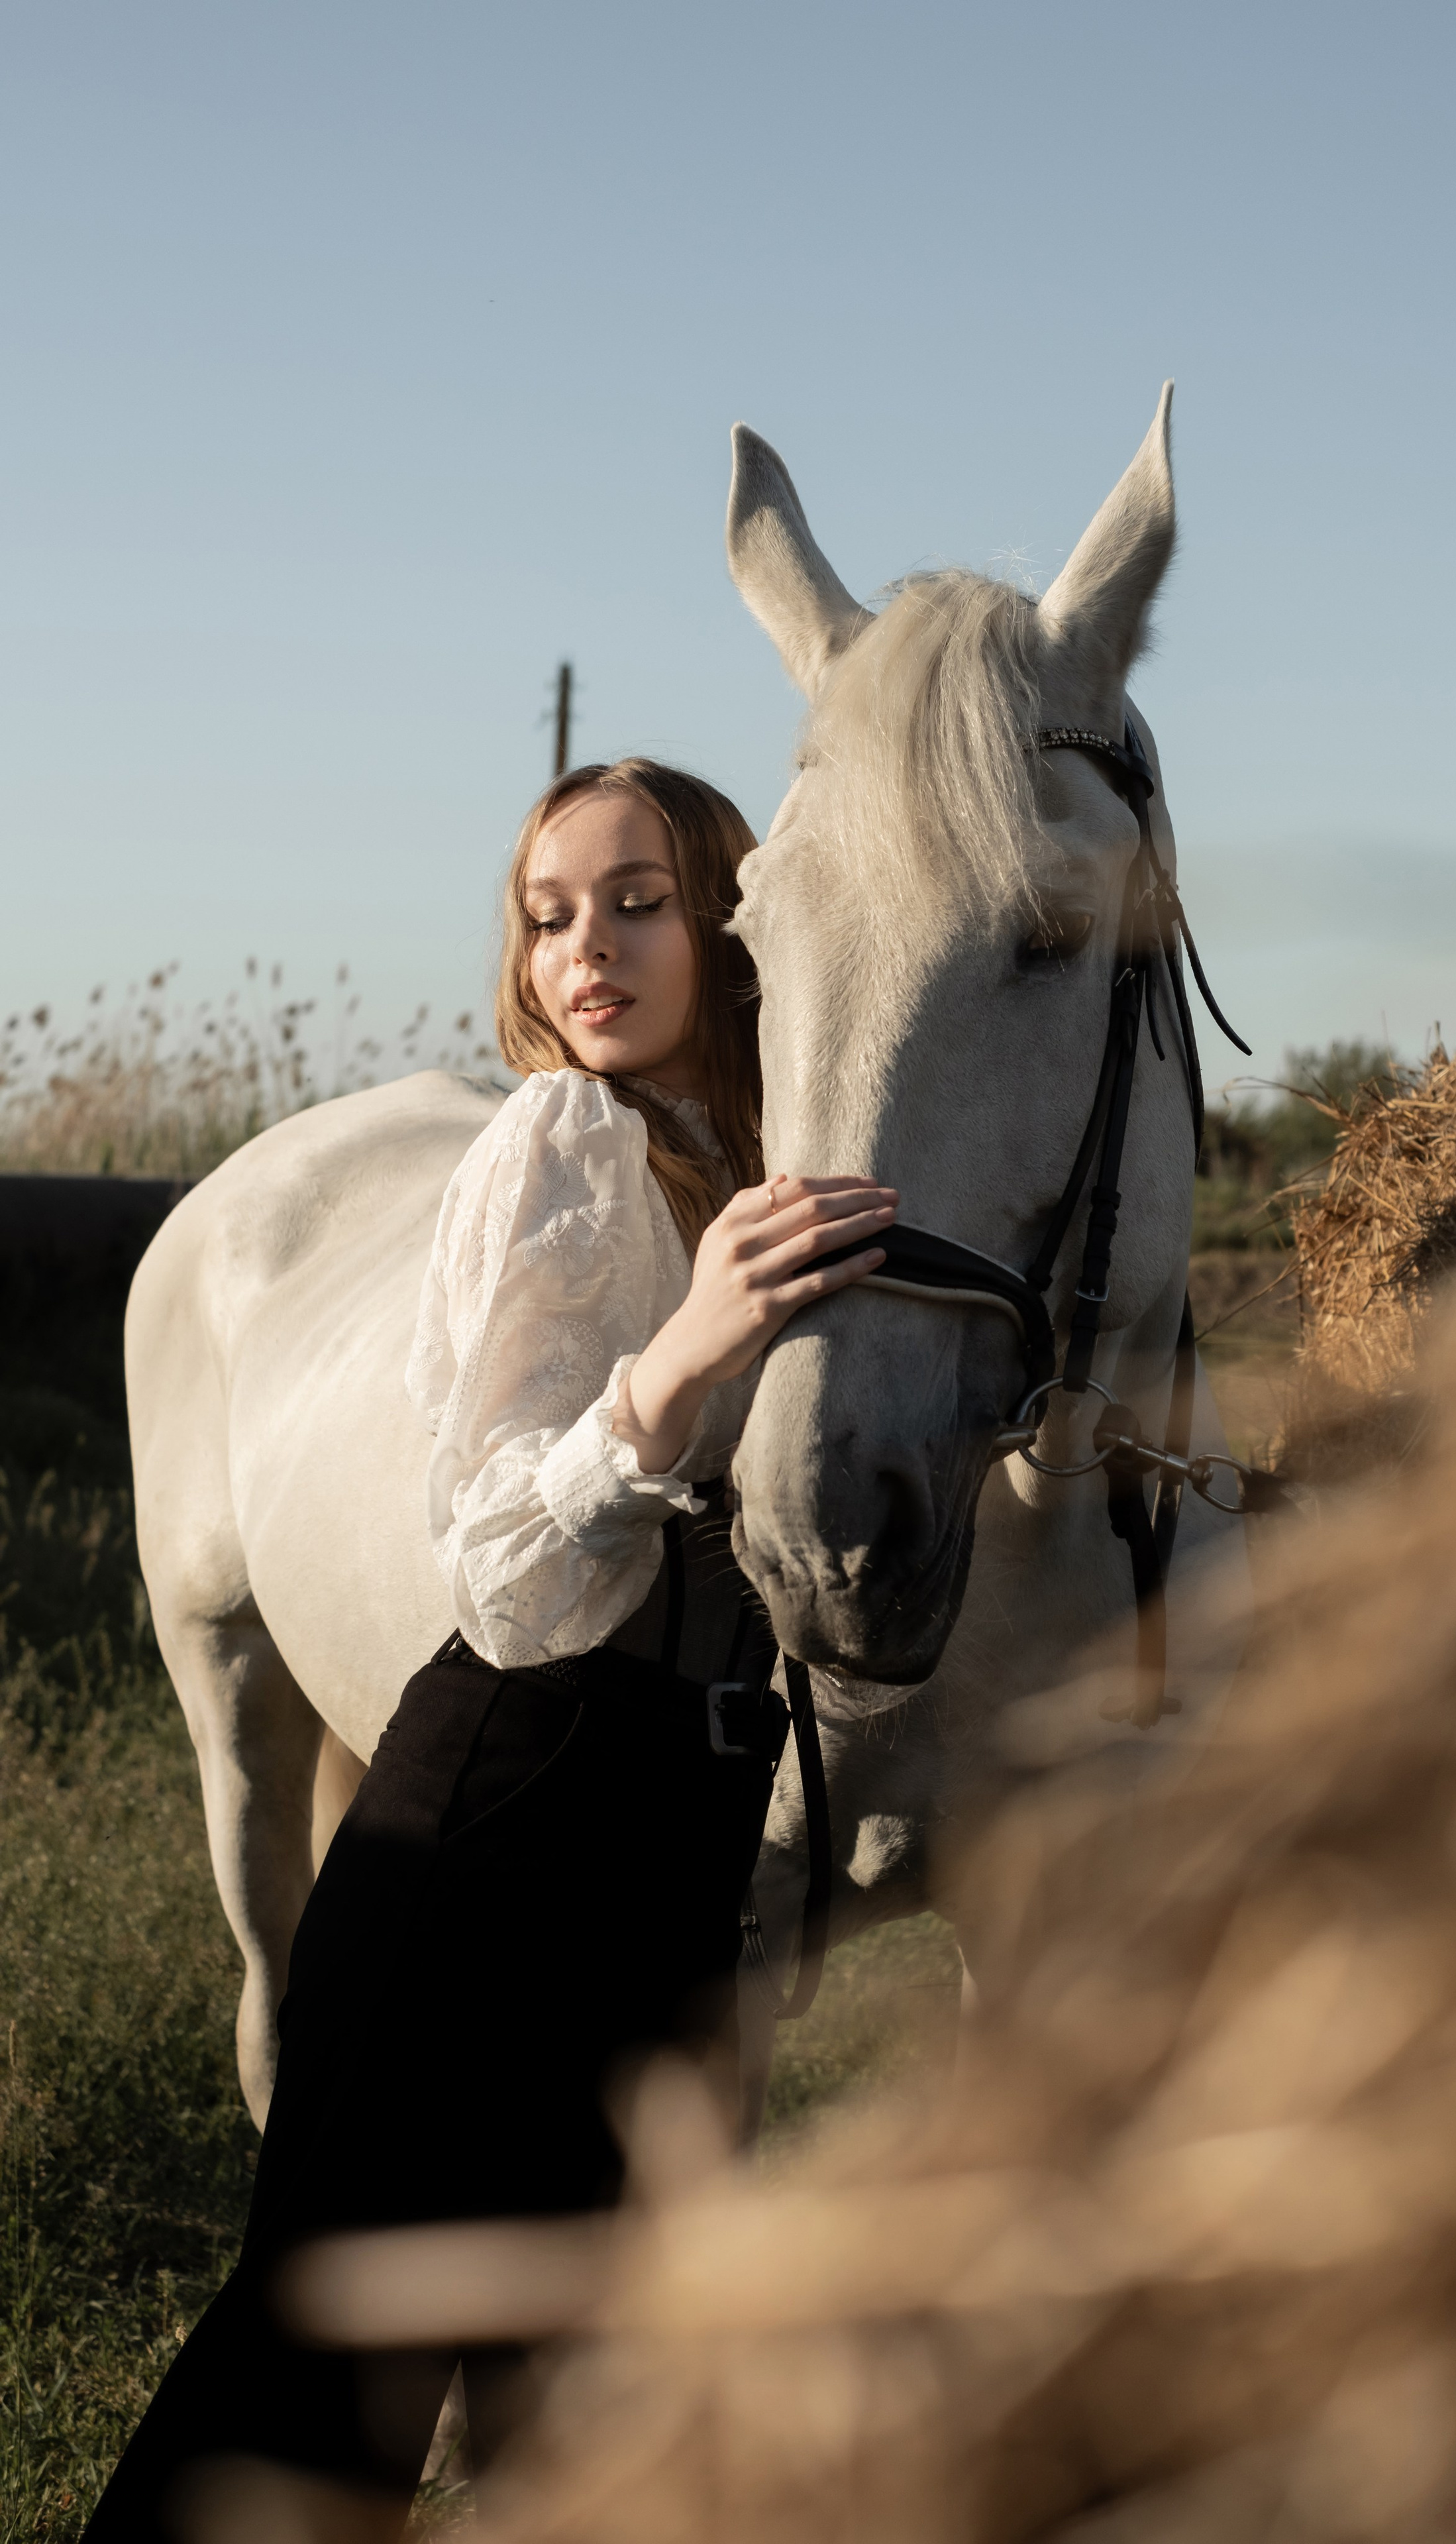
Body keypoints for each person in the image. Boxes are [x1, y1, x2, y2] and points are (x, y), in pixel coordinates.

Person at [87, 758, 895, 2538]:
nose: (582, 952)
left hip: (672, 1835)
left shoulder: (758, 1163)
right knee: (321, 2374)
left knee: (588, 2386)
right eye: (548, 915)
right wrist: (679, 1366)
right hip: (496, 1813)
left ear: (730, 923)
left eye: (637, 902)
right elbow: (505, 1570)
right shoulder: (563, 1146)